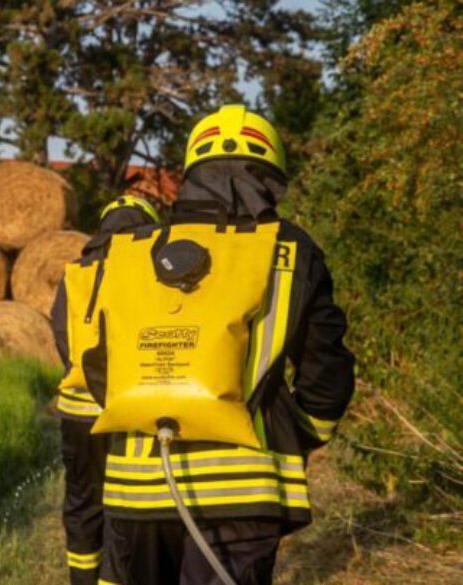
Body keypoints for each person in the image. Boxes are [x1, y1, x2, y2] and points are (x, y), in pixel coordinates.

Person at [85, 105, 356, 585]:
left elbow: (97, 362)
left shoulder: (130, 249)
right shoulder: (290, 248)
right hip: (244, 492)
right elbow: (326, 368)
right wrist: (305, 433)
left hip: (138, 491)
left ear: (190, 174)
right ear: (272, 177)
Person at [50, 194, 160, 585]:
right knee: (124, 503)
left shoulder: (75, 272)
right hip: (128, 410)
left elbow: (63, 337)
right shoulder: (150, 269)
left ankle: (82, 579)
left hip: (78, 411)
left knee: (82, 503)